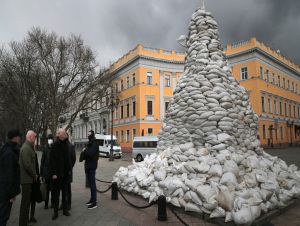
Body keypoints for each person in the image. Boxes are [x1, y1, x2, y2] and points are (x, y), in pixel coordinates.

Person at [0, 129, 21, 226]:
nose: (20, 138)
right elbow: (9, 175)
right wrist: (11, 194)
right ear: (15, 137)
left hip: (5, 189)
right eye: (19, 136)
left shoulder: (8, 149)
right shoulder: (9, 153)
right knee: (3, 216)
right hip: (6, 191)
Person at [49, 128, 71, 220]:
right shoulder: (54, 145)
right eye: (64, 133)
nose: (66, 134)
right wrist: (53, 173)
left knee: (64, 193)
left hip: (65, 173)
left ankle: (65, 210)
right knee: (56, 193)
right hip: (57, 174)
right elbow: (52, 160)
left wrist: (69, 170)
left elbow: (68, 159)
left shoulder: (66, 144)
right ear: (60, 135)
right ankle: (55, 212)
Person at [19, 130, 37, 226]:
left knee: (26, 203)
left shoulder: (28, 147)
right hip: (26, 180)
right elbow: (27, 165)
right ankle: (22, 223)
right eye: (34, 137)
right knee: (25, 204)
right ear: (30, 137)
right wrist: (34, 174)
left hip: (28, 179)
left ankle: (24, 222)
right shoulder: (26, 148)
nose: (35, 139)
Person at [81, 130, 99, 209]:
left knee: (92, 185)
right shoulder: (90, 143)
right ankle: (92, 199)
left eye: (89, 134)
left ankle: (94, 202)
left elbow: (91, 153)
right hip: (88, 166)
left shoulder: (94, 143)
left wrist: (85, 150)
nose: (88, 135)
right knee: (90, 185)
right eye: (87, 134)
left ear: (92, 135)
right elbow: (86, 153)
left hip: (92, 166)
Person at [40, 134, 54, 209]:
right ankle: (46, 203)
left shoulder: (55, 148)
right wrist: (41, 173)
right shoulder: (45, 148)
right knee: (46, 189)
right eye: (49, 139)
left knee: (53, 189)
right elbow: (42, 161)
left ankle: (52, 203)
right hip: (46, 172)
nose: (50, 140)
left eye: (51, 139)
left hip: (53, 173)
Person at [28, 149, 40, 223]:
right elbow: (28, 166)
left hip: (35, 179)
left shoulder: (34, 153)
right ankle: (27, 217)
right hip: (29, 179)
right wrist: (34, 175)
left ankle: (32, 216)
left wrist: (38, 175)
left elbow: (36, 166)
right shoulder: (28, 152)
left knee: (33, 199)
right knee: (28, 200)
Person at [66, 134, 76, 210]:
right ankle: (63, 203)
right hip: (61, 171)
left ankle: (68, 204)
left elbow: (74, 159)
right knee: (63, 188)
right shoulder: (61, 145)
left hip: (68, 171)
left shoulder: (71, 146)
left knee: (68, 188)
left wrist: (70, 167)